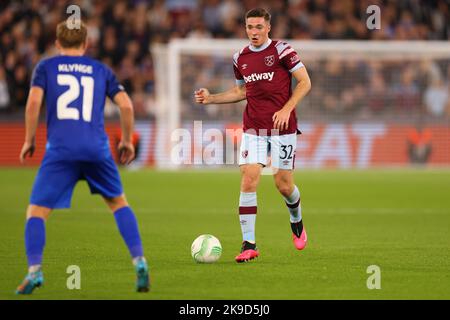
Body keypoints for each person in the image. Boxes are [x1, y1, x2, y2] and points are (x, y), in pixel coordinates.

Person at [16, 21, 150, 294]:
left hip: (61, 151)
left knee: (37, 212)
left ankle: (34, 271)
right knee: (118, 203)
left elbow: (32, 103)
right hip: (96, 149)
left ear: (57, 43)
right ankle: (139, 261)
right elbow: (125, 104)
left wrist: (29, 140)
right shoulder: (101, 69)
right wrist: (126, 140)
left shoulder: (45, 67)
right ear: (86, 43)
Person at [194, 8, 312, 263]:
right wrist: (211, 97)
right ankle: (249, 243)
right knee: (249, 179)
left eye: (259, 27)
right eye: (250, 27)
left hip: (283, 128)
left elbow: (305, 82)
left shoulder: (283, 51)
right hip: (253, 127)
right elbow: (241, 92)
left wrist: (286, 108)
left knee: (283, 185)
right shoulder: (240, 58)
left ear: (268, 28)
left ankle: (296, 219)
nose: (254, 32)